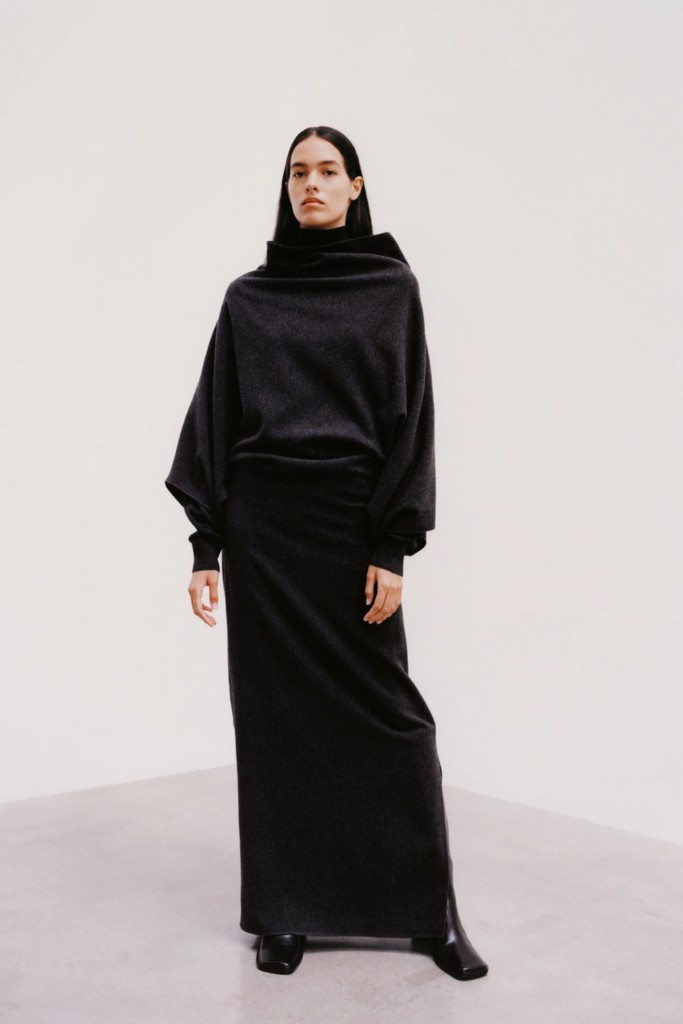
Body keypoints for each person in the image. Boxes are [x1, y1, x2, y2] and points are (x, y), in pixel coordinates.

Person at [164, 125, 489, 982]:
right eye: (297, 173)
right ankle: (285, 912)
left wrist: (392, 544)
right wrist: (206, 546)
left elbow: (411, 418)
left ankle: (428, 913)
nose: (310, 185)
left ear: (355, 186)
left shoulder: (390, 289)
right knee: (278, 726)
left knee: (393, 722)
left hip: (350, 525)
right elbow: (215, 419)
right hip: (265, 534)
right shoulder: (249, 298)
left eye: (327, 171)